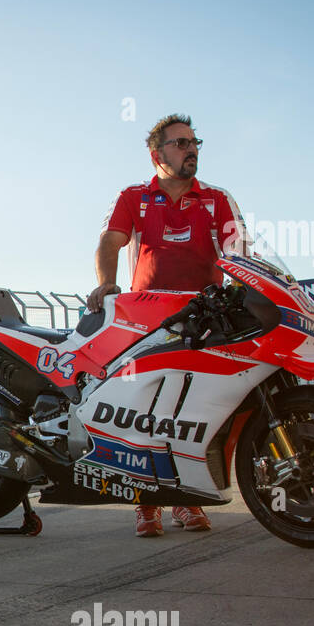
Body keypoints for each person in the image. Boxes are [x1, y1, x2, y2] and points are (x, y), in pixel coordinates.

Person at [89, 114, 252, 538]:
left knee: (196, 412)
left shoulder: (217, 198)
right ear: (156, 154)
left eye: (194, 142)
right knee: (146, 413)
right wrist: (107, 284)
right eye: (180, 144)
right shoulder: (135, 196)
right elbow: (110, 241)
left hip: (206, 318)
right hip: (147, 320)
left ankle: (188, 498)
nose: (191, 149)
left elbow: (240, 251)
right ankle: (147, 506)